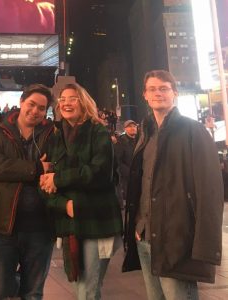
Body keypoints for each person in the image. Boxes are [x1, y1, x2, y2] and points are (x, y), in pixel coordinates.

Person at [122, 70, 224, 299]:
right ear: (144, 96)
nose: (157, 93)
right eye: (152, 89)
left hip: (177, 240)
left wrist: (205, 247)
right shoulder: (145, 133)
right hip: (146, 238)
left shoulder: (193, 131)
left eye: (163, 88)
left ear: (174, 94)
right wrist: (137, 226)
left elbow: (210, 192)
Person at [40, 83, 122, 300]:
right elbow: (45, 184)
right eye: (62, 99)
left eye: (72, 98)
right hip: (69, 224)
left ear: (84, 101)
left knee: (87, 290)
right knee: (82, 288)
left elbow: (100, 173)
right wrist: (63, 205)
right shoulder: (56, 137)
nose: (66, 103)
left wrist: (59, 178)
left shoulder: (98, 132)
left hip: (96, 220)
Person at [0, 84, 55, 299]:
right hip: (4, 225)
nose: (35, 111)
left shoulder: (52, 134)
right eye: (31, 104)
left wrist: (15, 168)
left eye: (41, 108)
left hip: (41, 227)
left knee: (32, 292)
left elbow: (56, 167)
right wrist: (36, 168)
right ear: (21, 102)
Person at [115, 120, 138, 208]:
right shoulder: (121, 142)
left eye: (134, 126)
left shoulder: (139, 140)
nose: (133, 128)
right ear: (125, 129)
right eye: (130, 126)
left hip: (138, 175)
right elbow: (118, 161)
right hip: (127, 177)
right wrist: (129, 172)